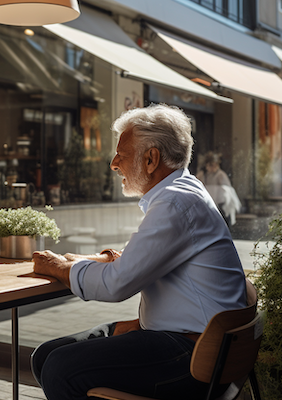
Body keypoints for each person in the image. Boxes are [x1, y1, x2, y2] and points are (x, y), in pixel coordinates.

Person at [30, 104, 246, 400]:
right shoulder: (184, 192)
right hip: (186, 340)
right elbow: (141, 258)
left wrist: (57, 267)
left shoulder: (174, 203)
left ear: (151, 158)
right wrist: (90, 260)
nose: (114, 163)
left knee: (59, 367)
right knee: (46, 354)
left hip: (193, 356)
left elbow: (116, 284)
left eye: (123, 154)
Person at [196, 151, 241, 226]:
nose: (213, 167)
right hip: (206, 204)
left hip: (220, 204)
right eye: (210, 165)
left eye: (214, 165)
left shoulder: (221, 174)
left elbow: (227, 190)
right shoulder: (203, 174)